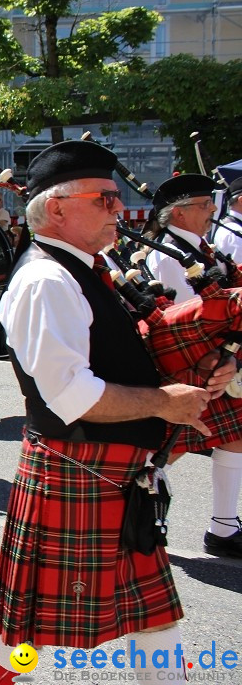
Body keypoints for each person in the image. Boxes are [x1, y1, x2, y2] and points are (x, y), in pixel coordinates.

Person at [0, 140, 236, 683]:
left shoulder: (89, 267)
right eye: (105, 199)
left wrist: (203, 360)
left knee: (152, 622)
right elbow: (72, 396)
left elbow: (129, 346)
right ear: (58, 209)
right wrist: (167, 402)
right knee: (23, 630)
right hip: (82, 468)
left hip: (116, 473)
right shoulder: (46, 280)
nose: (120, 210)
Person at [144, 173, 242, 558]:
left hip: (218, 358)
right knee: (170, 447)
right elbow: (192, 316)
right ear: (180, 213)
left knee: (234, 436)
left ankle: (223, 527)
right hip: (191, 363)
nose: (212, 211)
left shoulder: (203, 249)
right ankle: (128, 497)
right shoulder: (170, 255)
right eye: (204, 205)